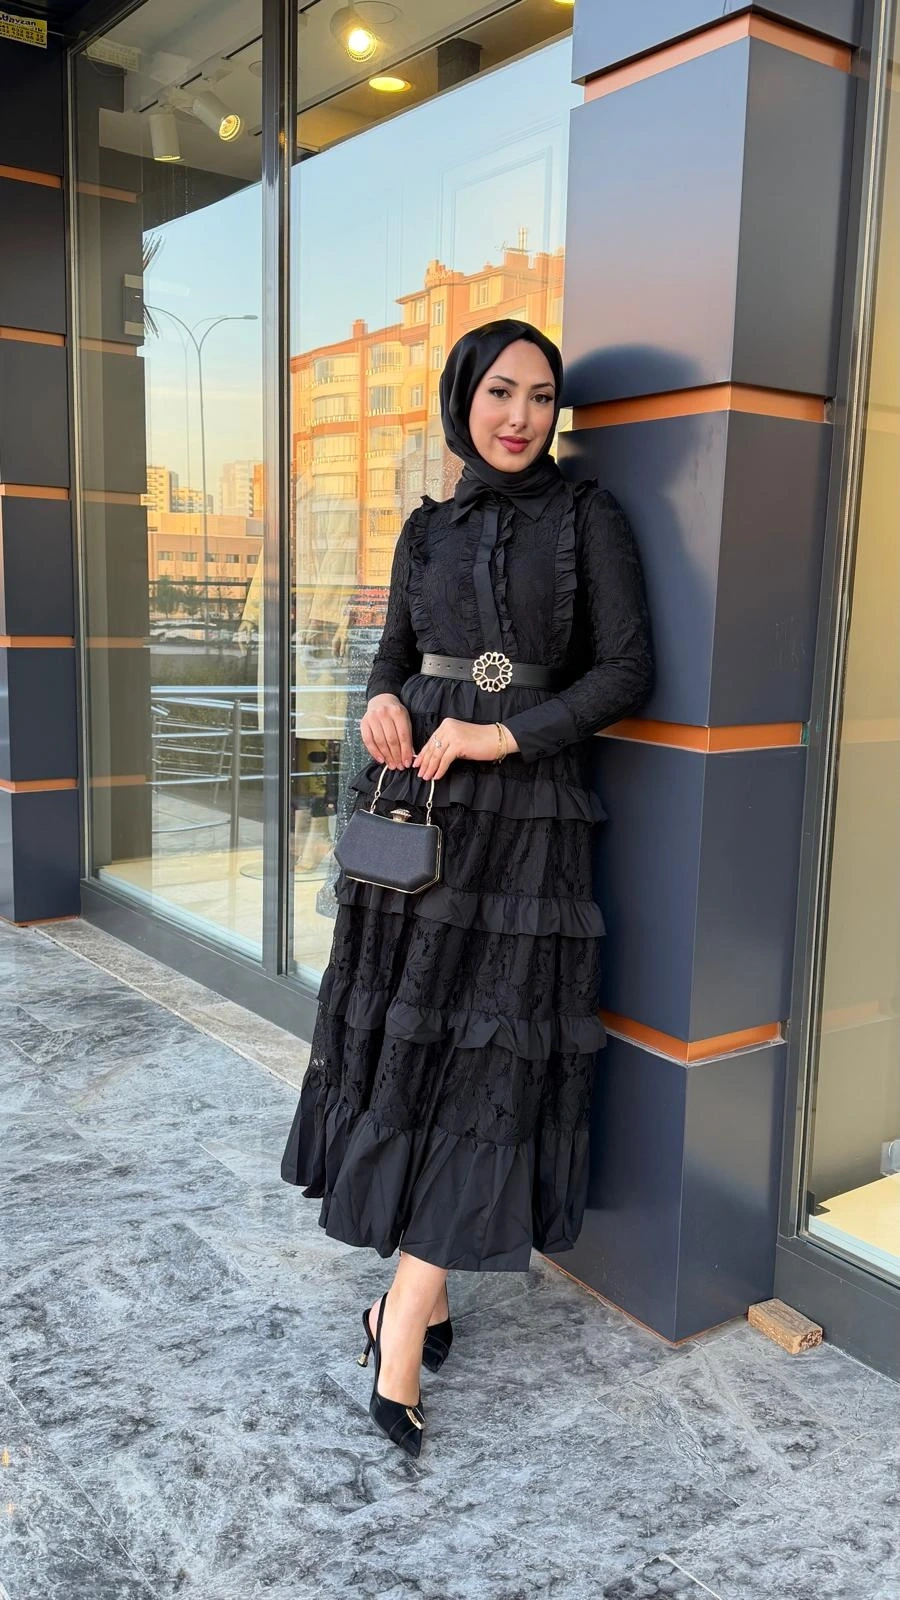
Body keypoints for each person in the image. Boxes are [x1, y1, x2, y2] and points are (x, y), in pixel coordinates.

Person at [280, 318, 654, 1458]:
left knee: (489, 1055)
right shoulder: (426, 528)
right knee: (422, 1043)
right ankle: (421, 1295)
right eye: (500, 392)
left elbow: (627, 671)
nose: (520, 416)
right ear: (463, 398)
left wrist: (505, 735)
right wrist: (379, 704)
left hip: (527, 822)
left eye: (540, 395)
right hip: (422, 811)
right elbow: (393, 656)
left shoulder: (588, 517)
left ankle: (400, 1318)